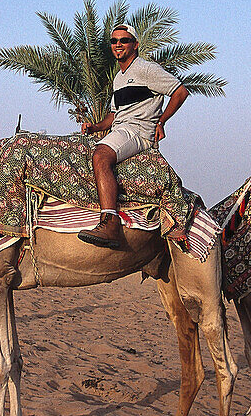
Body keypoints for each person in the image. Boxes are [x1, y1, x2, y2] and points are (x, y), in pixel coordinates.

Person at [77, 23, 189, 249]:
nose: (118, 44)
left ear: (135, 45)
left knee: (100, 156)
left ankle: (110, 223)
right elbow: (113, 115)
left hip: (138, 130)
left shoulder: (146, 69)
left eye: (124, 40)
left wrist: (162, 120)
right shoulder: (119, 78)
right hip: (121, 129)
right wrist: (94, 127)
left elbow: (180, 91)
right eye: (114, 41)